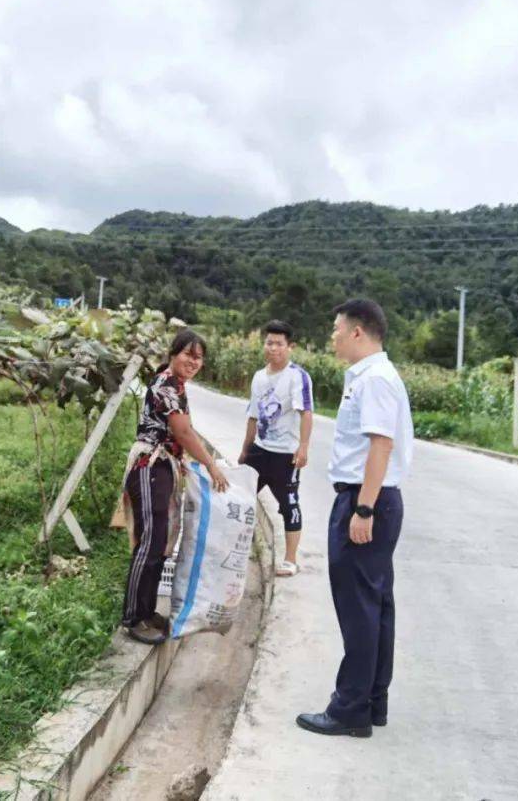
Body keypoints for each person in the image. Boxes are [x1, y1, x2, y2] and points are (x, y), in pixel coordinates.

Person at [296, 298, 413, 738]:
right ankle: (370, 702)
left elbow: (380, 446)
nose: (333, 336)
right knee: (375, 605)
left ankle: (349, 709)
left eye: (336, 329)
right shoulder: (373, 376)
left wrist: (363, 508)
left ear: (358, 332)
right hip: (373, 499)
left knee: (360, 608)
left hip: (368, 501)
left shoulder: (375, 379)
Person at [120, 329, 230, 646]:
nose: (193, 362)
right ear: (173, 353)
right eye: (188, 354)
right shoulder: (166, 383)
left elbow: (183, 434)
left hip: (164, 468)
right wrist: (210, 464)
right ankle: (132, 618)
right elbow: (182, 432)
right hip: (149, 467)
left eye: (198, 357)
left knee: (161, 543)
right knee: (150, 542)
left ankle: (147, 611)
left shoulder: (177, 387)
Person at [238, 319, 314, 577]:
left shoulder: (297, 377)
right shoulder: (259, 377)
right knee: (240, 499)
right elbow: (252, 415)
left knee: (289, 504)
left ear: (289, 346)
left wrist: (303, 447)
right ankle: (238, 550)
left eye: (279, 344)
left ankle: (290, 560)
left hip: (285, 454)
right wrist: (245, 450)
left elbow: (306, 413)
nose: (273, 348)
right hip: (259, 451)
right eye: (269, 342)